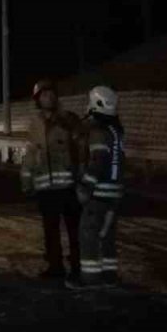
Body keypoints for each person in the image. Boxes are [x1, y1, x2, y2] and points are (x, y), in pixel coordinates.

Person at [20, 78, 82, 280]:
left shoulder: (69, 120)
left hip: (68, 187)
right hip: (45, 188)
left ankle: (78, 267)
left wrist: (82, 178)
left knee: (74, 230)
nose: (49, 97)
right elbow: (30, 155)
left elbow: (82, 150)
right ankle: (55, 267)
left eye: (51, 93)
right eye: (44, 95)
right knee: (50, 230)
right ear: (38, 100)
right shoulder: (35, 125)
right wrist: (26, 181)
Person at [71, 85, 125, 289]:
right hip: (115, 192)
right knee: (108, 236)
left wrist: (85, 186)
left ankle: (90, 278)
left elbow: (97, 161)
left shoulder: (98, 131)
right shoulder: (116, 130)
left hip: (99, 193)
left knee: (89, 235)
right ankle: (110, 275)